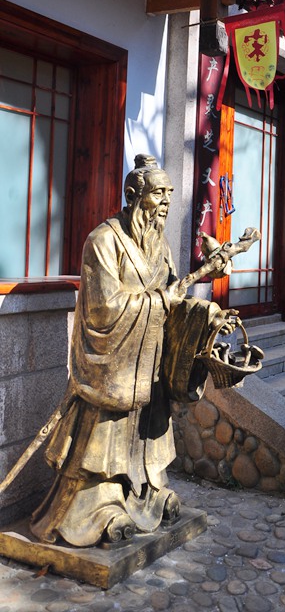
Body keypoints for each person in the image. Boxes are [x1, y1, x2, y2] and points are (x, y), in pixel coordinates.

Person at [30, 155, 235, 547]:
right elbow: (103, 308)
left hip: (149, 359)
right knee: (105, 439)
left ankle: (144, 495)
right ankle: (99, 505)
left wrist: (205, 313)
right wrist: (158, 301)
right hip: (117, 365)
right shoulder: (103, 241)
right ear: (132, 195)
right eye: (158, 194)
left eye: (169, 195)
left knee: (146, 439)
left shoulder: (159, 245)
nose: (166, 203)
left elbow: (173, 296)